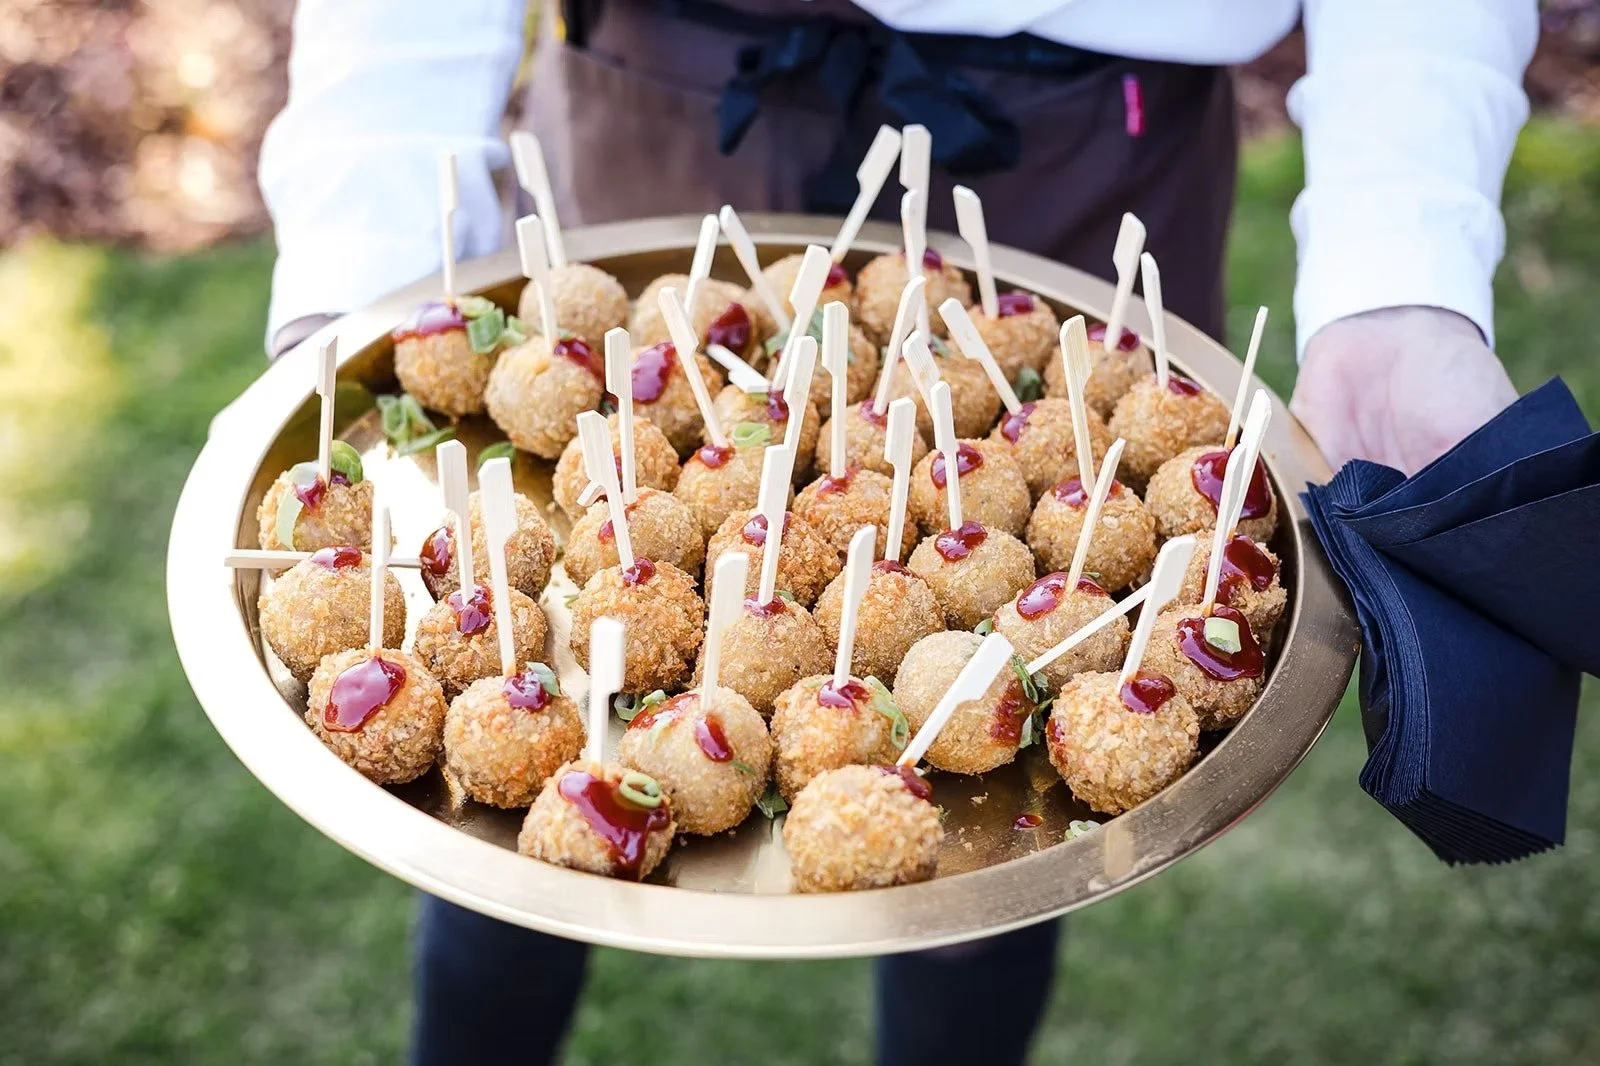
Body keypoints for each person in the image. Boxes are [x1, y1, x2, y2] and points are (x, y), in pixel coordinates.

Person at [258, 2, 1537, 1063]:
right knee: (504, 846)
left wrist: (1402, 269)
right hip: (673, 85)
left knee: (997, 866)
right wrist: (354, 249)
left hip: (1084, 146)